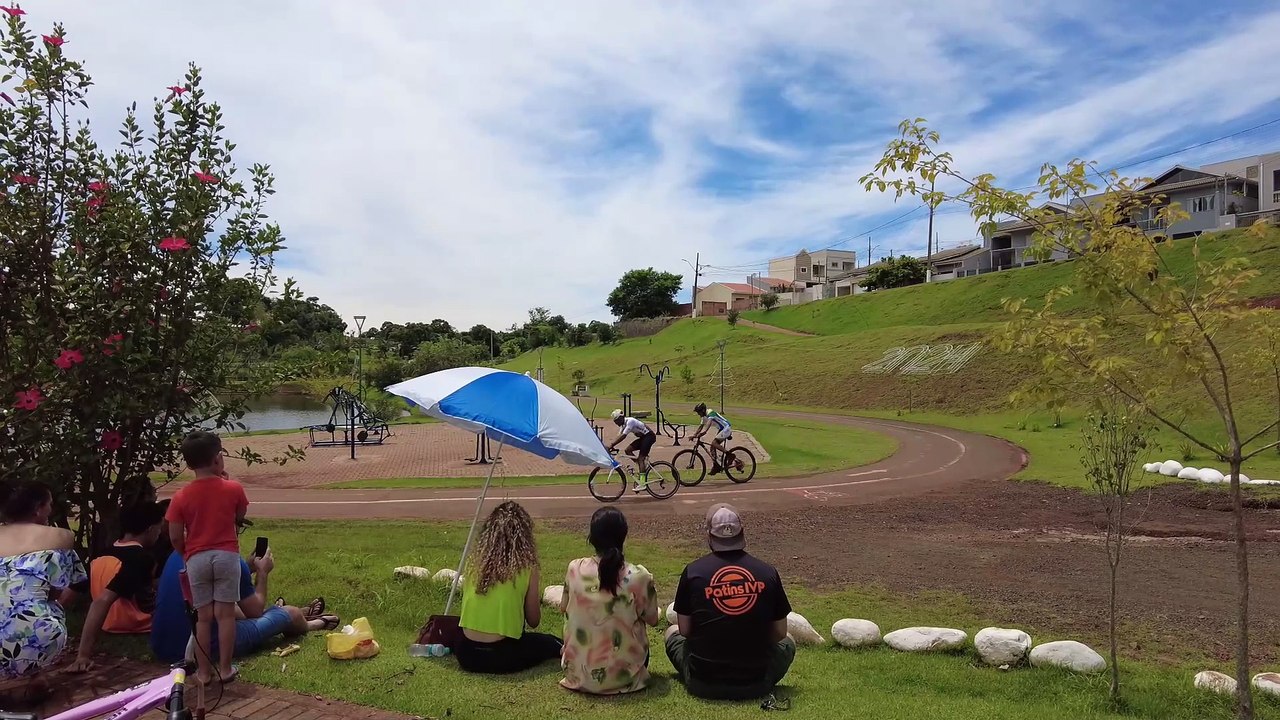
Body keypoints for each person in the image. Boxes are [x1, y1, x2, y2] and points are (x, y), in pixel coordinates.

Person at [666, 503, 795, 700]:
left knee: (671, 632)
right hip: (757, 682)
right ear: (742, 533)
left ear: (709, 535)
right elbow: (779, 633)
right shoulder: (767, 572)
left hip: (703, 682)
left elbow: (685, 630)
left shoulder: (693, 571)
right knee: (790, 640)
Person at [149, 547, 337, 664]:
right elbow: (254, 610)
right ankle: (311, 623)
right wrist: (262, 573)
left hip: (163, 646)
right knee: (292, 613)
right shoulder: (227, 557)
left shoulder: (178, 551)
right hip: (205, 649)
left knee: (232, 610)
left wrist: (246, 568)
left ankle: (286, 614)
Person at [165, 430, 249, 684]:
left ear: (189, 463)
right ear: (217, 459)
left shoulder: (180, 496)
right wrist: (225, 482)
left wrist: (186, 554)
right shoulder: (233, 488)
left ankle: (203, 672)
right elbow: (240, 514)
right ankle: (225, 668)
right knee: (225, 615)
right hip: (226, 555)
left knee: (203, 617)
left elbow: (175, 536)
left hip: (196, 558)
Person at [0, 481, 87, 702]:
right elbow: (67, 587)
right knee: (40, 605)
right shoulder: (59, 537)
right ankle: (31, 669)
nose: (51, 509)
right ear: (38, 508)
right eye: (49, 504)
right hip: (39, 637)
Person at [559, 507, 658, 695]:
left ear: (592, 537)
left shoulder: (574, 569)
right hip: (625, 677)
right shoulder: (639, 576)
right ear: (623, 536)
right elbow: (653, 619)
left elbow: (563, 607)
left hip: (578, 675)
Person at [455, 501, 562, 674]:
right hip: (502, 655)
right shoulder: (527, 568)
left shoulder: (473, 564)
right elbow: (534, 621)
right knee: (550, 642)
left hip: (466, 653)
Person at [68, 501, 167, 672]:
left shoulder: (101, 555)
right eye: (159, 528)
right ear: (150, 529)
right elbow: (102, 601)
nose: (159, 533)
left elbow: (72, 590)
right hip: (134, 623)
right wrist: (83, 655)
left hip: (108, 624)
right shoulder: (141, 558)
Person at [606, 409, 656, 489]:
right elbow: (619, 436)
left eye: (617, 421)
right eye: (615, 421)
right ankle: (641, 466)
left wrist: (611, 445)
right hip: (643, 438)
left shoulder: (630, 421)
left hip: (649, 437)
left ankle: (643, 484)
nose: (616, 423)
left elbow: (623, 436)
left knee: (641, 459)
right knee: (627, 450)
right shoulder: (623, 425)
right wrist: (611, 445)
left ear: (621, 418)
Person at [692, 403, 741, 475]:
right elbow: (700, 427)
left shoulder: (711, 412)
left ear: (702, 410)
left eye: (698, 412)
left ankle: (730, 455)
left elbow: (709, 423)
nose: (698, 414)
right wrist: (694, 435)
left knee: (714, 443)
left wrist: (704, 432)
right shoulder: (704, 417)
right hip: (721, 429)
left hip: (726, 428)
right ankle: (716, 466)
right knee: (712, 447)